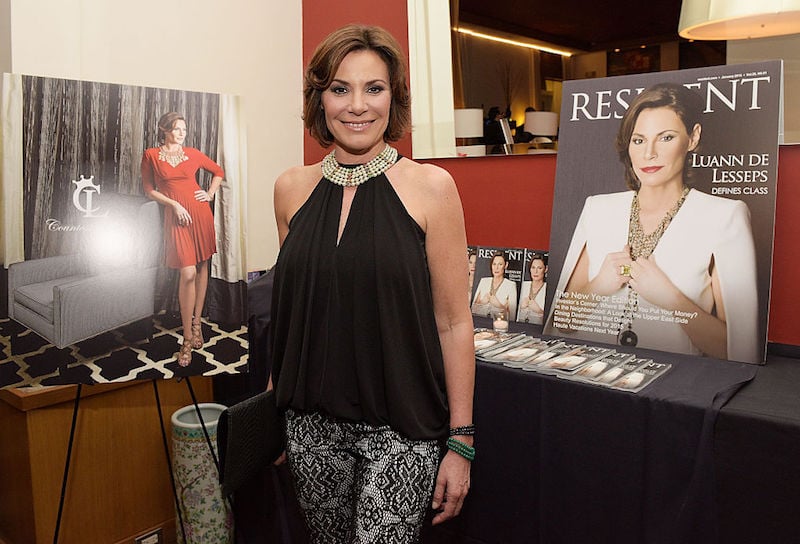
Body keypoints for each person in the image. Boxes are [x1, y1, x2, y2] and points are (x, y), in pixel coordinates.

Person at [269, 24, 475, 542]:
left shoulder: (432, 188)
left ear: (393, 97)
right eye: (340, 89)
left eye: (374, 88)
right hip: (309, 429)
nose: (357, 106)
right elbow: (291, 315)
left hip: (401, 431)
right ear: (320, 99)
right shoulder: (290, 189)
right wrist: (270, 412)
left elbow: (453, 322)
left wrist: (461, 441)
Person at [547, 83, 759, 362]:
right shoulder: (598, 209)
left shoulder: (724, 216)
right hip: (590, 373)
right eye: (639, 140)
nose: (649, 153)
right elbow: (562, 322)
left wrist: (671, 299)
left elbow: (739, 351)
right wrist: (599, 285)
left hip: (672, 382)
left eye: (666, 138)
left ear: (693, 138)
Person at [141, 112, 223, 366]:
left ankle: (197, 324)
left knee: (202, 267)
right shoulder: (151, 155)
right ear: (164, 130)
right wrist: (174, 205)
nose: (181, 133)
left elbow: (218, 171)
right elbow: (149, 190)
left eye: (184, 129)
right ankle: (187, 339)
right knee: (187, 273)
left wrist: (209, 193)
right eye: (177, 129)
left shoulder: (193, 153)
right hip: (177, 218)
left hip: (200, 214)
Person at [471, 250, 517, 320]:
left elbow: (512, 317)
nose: (496, 268)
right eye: (494, 264)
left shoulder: (511, 285)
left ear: (506, 265)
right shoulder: (484, 281)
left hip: (498, 323)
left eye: (500, 264)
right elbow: (473, 310)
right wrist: (482, 302)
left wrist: (499, 305)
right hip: (480, 322)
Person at [516, 253, 547, 324]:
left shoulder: (547, 289)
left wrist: (539, 311)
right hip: (520, 325)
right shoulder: (523, 285)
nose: (535, 271)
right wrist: (521, 307)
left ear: (545, 269)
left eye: (539, 268)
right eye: (533, 268)